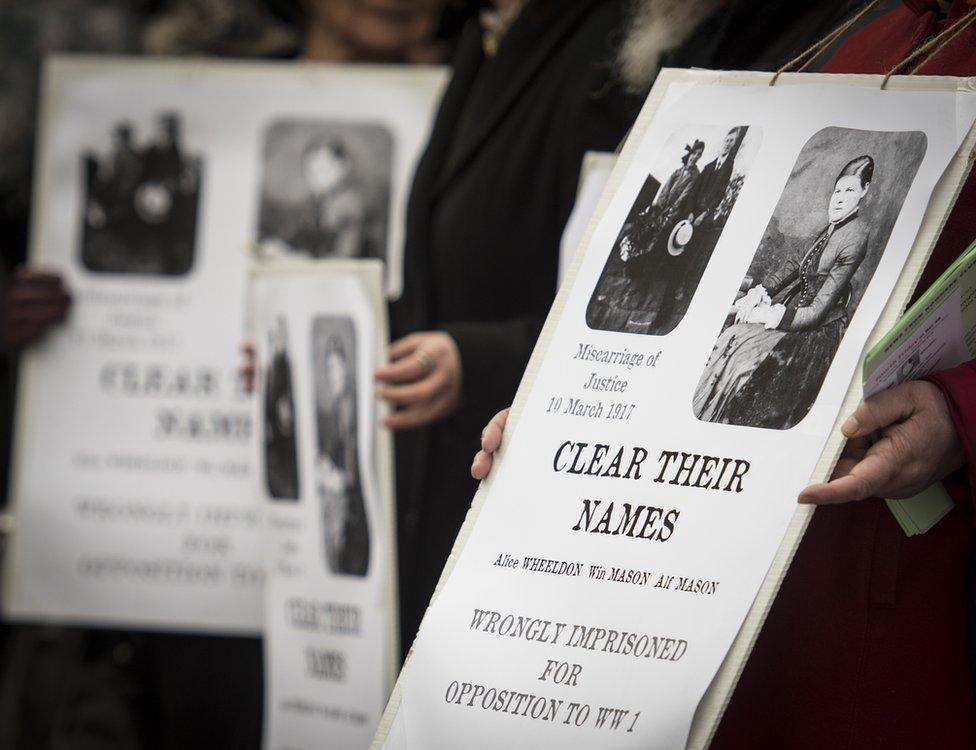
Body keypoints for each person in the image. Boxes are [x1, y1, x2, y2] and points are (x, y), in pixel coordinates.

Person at [474, 2, 976, 746]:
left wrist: (960, 415)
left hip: (886, 591)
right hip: (718, 586)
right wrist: (565, 414)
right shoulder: (864, 33)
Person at [373, 0, 644, 654]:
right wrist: (335, 335)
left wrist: (483, 357)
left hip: (539, 510)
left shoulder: (620, 44)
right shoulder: (484, 31)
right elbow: (443, 274)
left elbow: (633, 295)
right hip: (449, 491)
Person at [693, 155, 873, 429]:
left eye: (849, 190)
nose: (839, 198)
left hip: (814, 332)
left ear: (864, 191)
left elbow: (815, 313)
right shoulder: (828, 229)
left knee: (741, 360)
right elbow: (793, 264)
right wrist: (761, 291)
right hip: (793, 318)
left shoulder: (856, 237)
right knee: (730, 335)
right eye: (838, 190)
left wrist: (766, 313)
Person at [315, 332, 370, 576]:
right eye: (328, 368)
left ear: (346, 367)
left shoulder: (354, 404)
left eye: (336, 366)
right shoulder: (338, 406)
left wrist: (341, 479)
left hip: (359, 512)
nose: (332, 374)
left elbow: (356, 463)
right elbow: (335, 447)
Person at [264, 317, 300, 500]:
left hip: (289, 450)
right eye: (273, 336)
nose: (276, 340)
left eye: (280, 335)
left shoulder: (287, 365)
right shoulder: (271, 369)